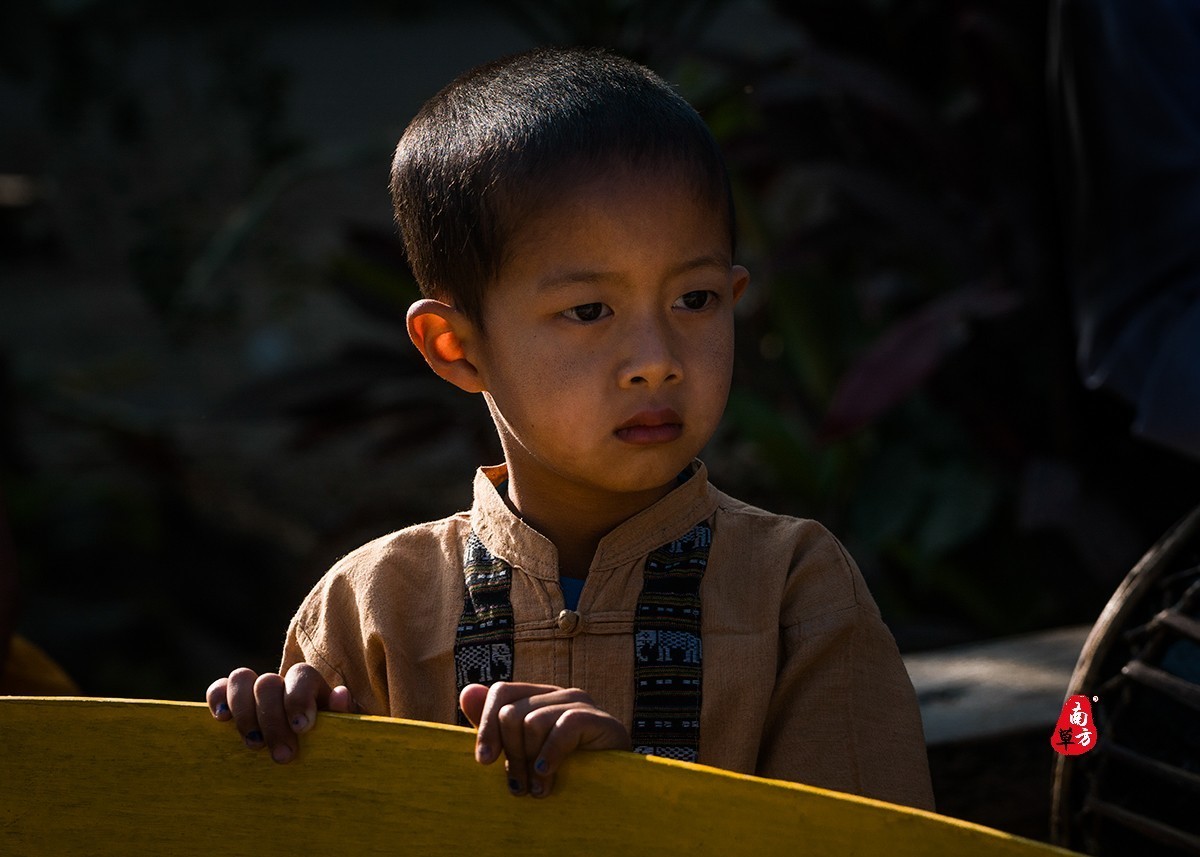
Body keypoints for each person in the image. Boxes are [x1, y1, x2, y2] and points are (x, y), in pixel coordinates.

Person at [206, 46, 934, 810]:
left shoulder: (794, 589)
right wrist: (273, 753)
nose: (656, 362)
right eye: (589, 311)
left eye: (695, 300)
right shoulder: (374, 607)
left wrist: (627, 798)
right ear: (455, 347)